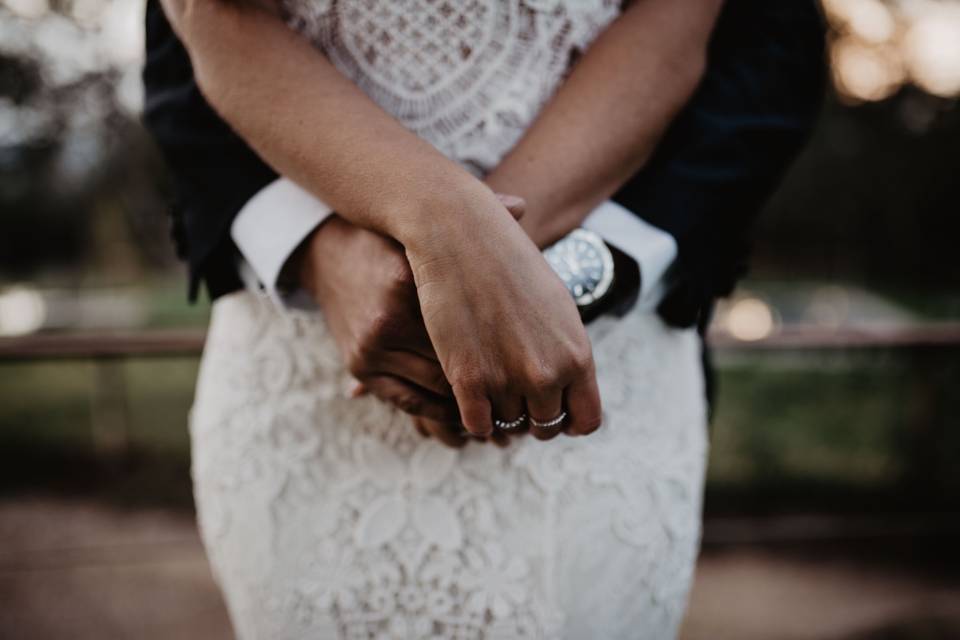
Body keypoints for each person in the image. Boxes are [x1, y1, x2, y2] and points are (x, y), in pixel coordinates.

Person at [143, 0, 825, 637]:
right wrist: (334, 255)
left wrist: (504, 268)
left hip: (604, 382)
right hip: (303, 384)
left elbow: (705, 35)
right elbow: (200, 27)